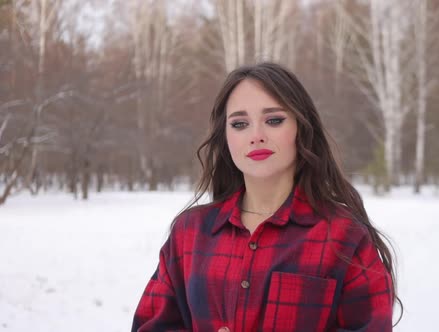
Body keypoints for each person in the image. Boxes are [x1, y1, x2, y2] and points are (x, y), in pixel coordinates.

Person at [131, 62, 399, 331]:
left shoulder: (344, 235)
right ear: (225, 137)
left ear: (301, 128)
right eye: (239, 124)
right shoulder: (189, 234)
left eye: (273, 120)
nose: (256, 136)